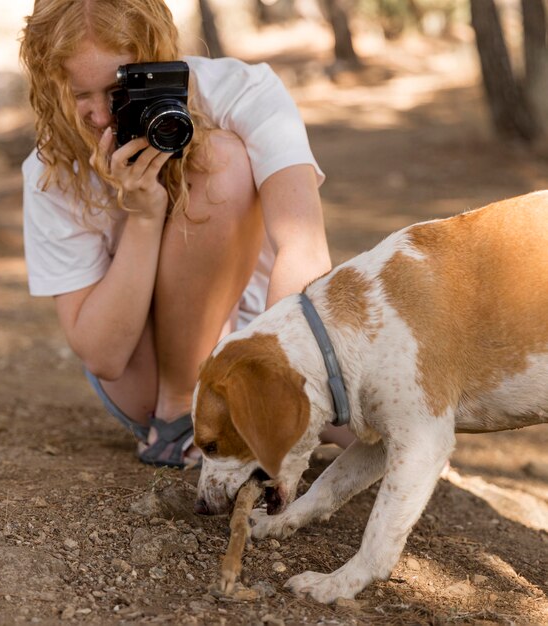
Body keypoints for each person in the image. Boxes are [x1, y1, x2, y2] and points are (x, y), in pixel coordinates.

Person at [20, 0, 354, 468]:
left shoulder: (242, 92)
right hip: (145, 378)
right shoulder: (51, 169)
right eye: (79, 94)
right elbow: (103, 355)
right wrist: (143, 215)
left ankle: (238, 408)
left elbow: (304, 248)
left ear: (156, 57)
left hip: (256, 329)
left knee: (377, 427)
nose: (99, 116)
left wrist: (268, 382)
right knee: (224, 164)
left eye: (118, 89)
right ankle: (180, 413)